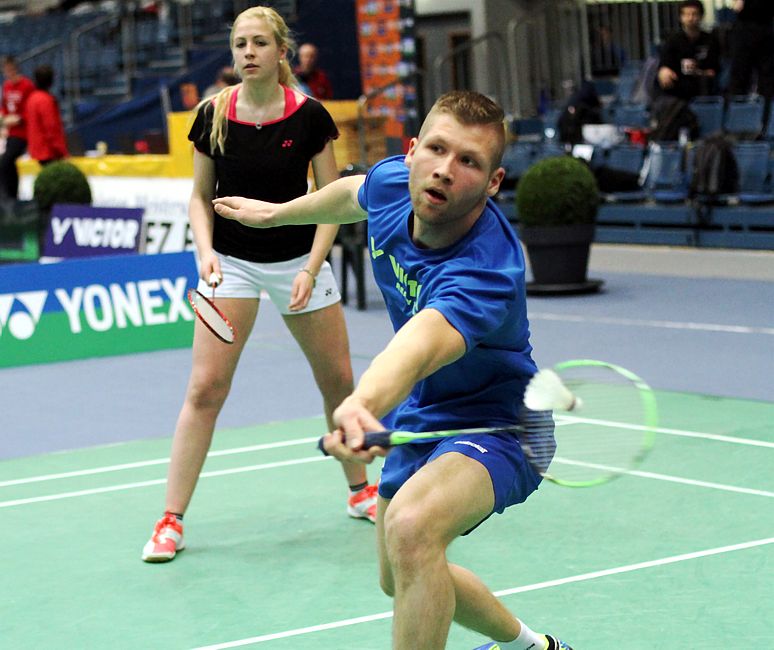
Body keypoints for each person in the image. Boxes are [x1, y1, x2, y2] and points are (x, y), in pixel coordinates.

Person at [212, 90, 573, 650]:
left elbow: (424, 342)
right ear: (411, 152)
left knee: (411, 528)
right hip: (427, 412)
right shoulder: (394, 185)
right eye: (436, 149)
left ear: (494, 182)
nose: (444, 171)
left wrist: (362, 403)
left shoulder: (486, 268)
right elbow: (352, 194)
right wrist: (277, 215)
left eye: (469, 162)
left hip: (503, 424)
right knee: (397, 572)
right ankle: (534, 648)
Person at [141, 6, 376, 564]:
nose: (248, 53)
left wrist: (312, 267)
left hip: (298, 258)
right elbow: (200, 197)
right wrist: (205, 252)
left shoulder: (311, 117)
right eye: (240, 44)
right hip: (232, 264)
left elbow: (333, 200)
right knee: (205, 391)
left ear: (280, 52)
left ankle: (360, 488)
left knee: (339, 382)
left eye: (259, 44)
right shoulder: (213, 115)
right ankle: (170, 520)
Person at [656, 0, 720, 102]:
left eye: (694, 14)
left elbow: (713, 71)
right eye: (686, 14)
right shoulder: (672, 41)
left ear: (701, 16)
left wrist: (698, 72)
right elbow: (664, 64)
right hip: (677, 87)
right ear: (681, 17)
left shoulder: (710, 40)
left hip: (701, 86)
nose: (690, 18)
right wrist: (663, 71)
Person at [726, 0, 774, 124]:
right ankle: (737, 123)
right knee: (739, 78)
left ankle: (766, 123)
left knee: (767, 80)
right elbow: (736, 6)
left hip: (766, 26)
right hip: (744, 28)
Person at [0, 56, 35, 201]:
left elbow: (31, 109)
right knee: (8, 164)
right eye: (5, 70)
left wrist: (19, 119)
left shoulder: (27, 85)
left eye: (10, 69)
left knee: (5, 161)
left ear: (15, 69)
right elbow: (4, 107)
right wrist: (3, 120)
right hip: (10, 132)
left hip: (23, 133)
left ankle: (9, 196)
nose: (8, 72)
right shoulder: (6, 86)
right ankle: (12, 196)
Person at [24, 65, 68, 166]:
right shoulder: (46, 100)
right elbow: (51, 127)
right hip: (48, 151)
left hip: (37, 148)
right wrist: (61, 150)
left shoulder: (31, 98)